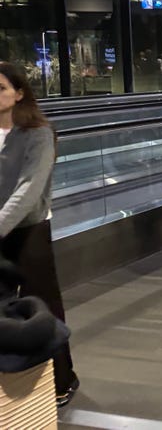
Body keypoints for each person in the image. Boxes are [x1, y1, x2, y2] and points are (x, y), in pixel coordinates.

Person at [0, 62, 80, 407]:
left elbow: (29, 189)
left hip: (30, 230)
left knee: (42, 306)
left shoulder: (38, 133)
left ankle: (61, 380)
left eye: (1, 88)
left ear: (19, 93)